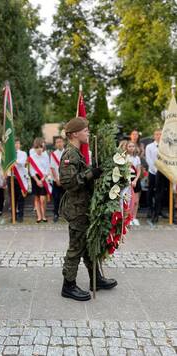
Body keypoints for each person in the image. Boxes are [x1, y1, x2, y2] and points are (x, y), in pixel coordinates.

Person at [59, 117, 117, 301]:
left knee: (89, 244)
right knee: (76, 248)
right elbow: (68, 183)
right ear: (75, 133)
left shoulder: (77, 153)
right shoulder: (70, 154)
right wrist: (92, 173)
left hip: (83, 207)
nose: (88, 133)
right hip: (76, 210)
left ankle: (95, 279)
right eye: (85, 130)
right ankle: (68, 285)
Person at [29, 137, 52, 223]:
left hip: (43, 178)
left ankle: (43, 215)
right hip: (35, 178)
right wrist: (37, 181)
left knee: (43, 198)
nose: (39, 149)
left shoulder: (45, 155)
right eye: (37, 147)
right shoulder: (32, 156)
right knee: (37, 198)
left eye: (40, 147)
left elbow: (47, 169)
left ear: (43, 147)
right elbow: (31, 170)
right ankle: (39, 216)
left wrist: (42, 180)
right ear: (34, 148)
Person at [7, 138, 28, 222]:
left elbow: (21, 163)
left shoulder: (23, 153)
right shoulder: (8, 153)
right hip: (10, 177)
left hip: (20, 178)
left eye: (18, 143)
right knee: (12, 198)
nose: (16, 145)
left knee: (21, 198)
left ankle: (20, 216)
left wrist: (13, 159)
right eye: (15, 143)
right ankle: (13, 216)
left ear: (20, 145)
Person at [145, 129, 162, 219]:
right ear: (154, 136)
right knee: (150, 190)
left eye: (160, 134)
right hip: (152, 172)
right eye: (157, 134)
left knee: (160, 192)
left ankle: (158, 211)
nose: (159, 136)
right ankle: (150, 209)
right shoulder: (149, 147)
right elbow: (148, 159)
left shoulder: (165, 147)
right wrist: (155, 170)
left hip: (163, 173)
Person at [125, 141, 142, 226]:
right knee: (128, 200)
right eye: (129, 146)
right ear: (126, 147)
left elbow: (139, 171)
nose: (131, 148)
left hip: (135, 179)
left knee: (136, 201)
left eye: (133, 146)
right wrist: (128, 180)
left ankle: (134, 217)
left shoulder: (137, 158)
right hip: (127, 179)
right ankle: (128, 217)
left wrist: (135, 180)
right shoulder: (124, 157)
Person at [50, 136, 65, 222]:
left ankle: (65, 214)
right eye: (57, 142)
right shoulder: (53, 154)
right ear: (55, 144)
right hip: (56, 180)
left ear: (63, 142)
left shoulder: (67, 153)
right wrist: (56, 179)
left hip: (65, 180)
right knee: (56, 198)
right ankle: (56, 214)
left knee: (65, 198)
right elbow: (52, 168)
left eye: (60, 141)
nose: (59, 143)